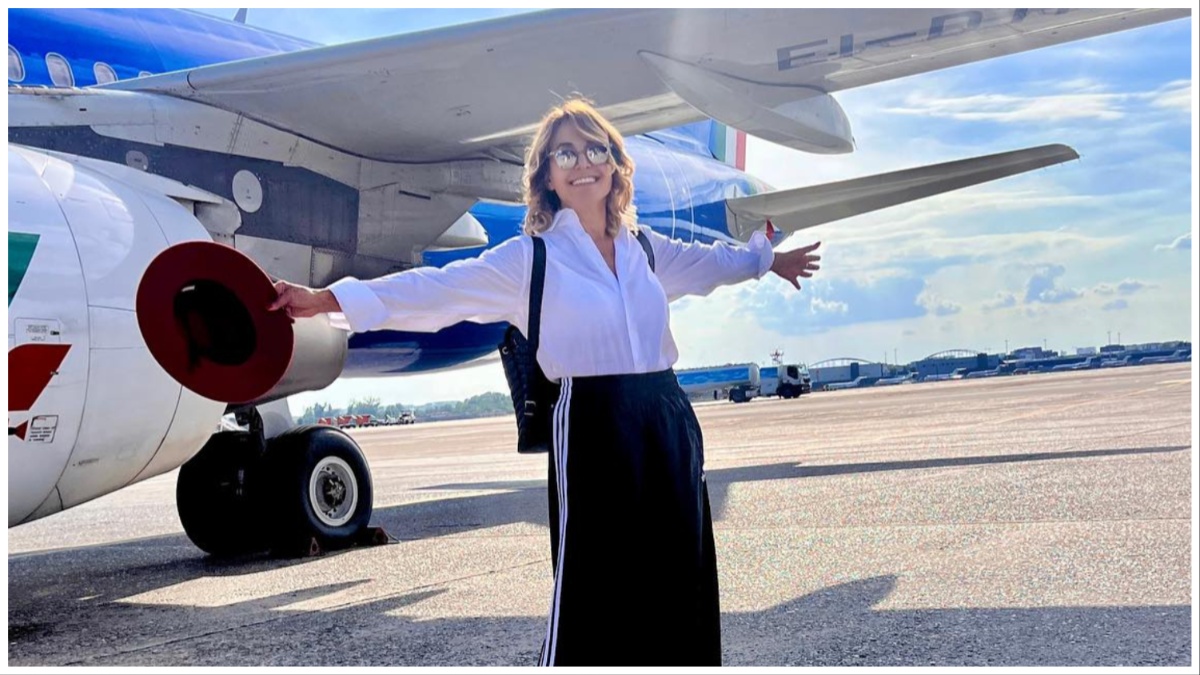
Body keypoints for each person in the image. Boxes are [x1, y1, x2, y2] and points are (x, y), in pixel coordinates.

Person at [269, 98, 822, 666]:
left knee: (681, 576)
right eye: (566, 153)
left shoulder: (645, 249)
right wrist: (329, 300)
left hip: (668, 418)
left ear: (615, 165)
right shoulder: (530, 259)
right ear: (547, 176)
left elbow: (712, 264)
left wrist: (764, 260)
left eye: (594, 149)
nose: (583, 162)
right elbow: (435, 291)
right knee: (593, 586)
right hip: (594, 424)